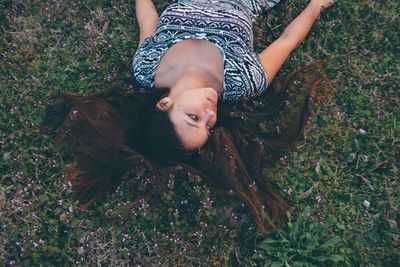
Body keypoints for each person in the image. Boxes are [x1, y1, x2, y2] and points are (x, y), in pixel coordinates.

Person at [48, 0, 334, 232]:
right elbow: (287, 41)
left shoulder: (147, 67)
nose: (211, 113)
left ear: (164, 104)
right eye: (208, 125)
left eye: (194, 117)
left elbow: (148, 19)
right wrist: (315, 6)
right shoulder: (242, 80)